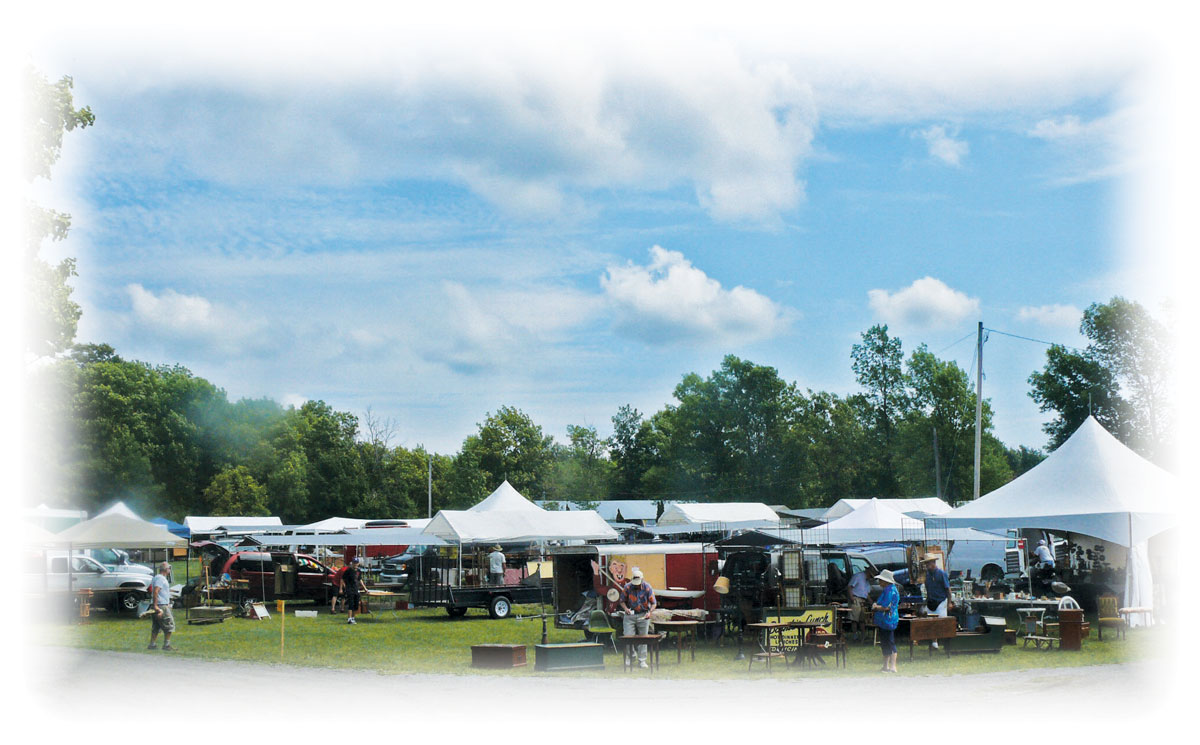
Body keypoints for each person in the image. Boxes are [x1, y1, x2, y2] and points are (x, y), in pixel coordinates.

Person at [618, 566, 657, 669]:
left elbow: (653, 603)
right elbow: (621, 601)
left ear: (642, 579)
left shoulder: (647, 587)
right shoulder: (627, 587)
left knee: (643, 638)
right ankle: (630, 656)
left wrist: (650, 612)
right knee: (627, 637)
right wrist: (625, 608)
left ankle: (642, 660)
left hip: (643, 614)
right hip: (630, 614)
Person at [871, 569, 900, 673]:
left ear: (886, 581)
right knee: (885, 642)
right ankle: (886, 666)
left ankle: (892, 666)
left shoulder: (890, 591)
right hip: (884, 621)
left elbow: (886, 607)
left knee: (889, 642)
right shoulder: (888, 589)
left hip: (888, 620)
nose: (879, 582)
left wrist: (876, 607)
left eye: (881, 580)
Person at [921, 553, 950, 649]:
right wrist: (926, 602)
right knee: (931, 623)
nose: (927, 566)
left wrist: (949, 603)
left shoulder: (941, 574)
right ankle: (934, 643)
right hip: (931, 602)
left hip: (941, 601)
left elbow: (948, 590)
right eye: (926, 564)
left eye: (928, 564)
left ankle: (946, 644)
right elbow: (928, 590)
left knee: (941, 623)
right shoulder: (928, 575)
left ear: (933, 563)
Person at [147, 562, 175, 651]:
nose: (170, 570)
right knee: (169, 625)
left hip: (159, 604)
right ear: (166, 569)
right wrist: (156, 607)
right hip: (161, 606)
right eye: (169, 568)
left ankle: (152, 644)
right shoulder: (161, 579)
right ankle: (166, 645)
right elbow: (156, 591)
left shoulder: (157, 578)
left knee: (156, 626)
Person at [847, 565, 876, 641]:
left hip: (863, 601)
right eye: (871, 576)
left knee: (862, 619)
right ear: (868, 573)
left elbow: (866, 594)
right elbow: (850, 587)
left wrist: (872, 603)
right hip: (855, 598)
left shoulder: (867, 582)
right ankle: (855, 635)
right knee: (854, 619)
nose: (871, 578)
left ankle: (863, 636)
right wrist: (852, 598)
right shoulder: (858, 576)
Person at [340, 557, 366, 625]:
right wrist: (342, 588)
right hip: (350, 589)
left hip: (356, 589)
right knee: (351, 604)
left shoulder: (359, 571)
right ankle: (349, 619)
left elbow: (360, 580)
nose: (355, 564)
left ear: (358, 563)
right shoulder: (348, 571)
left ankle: (353, 618)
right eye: (354, 563)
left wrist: (365, 588)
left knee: (356, 605)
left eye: (356, 563)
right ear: (352, 563)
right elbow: (342, 579)